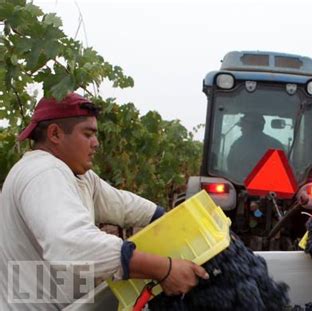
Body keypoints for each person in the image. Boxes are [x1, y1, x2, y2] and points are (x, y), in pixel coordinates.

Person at [0, 93, 209, 310]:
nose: (96, 143)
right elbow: (74, 245)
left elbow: (120, 203)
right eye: (87, 134)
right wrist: (164, 269)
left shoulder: (76, 175)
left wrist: (166, 217)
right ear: (55, 134)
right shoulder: (44, 173)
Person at [227, 113, 284, 181]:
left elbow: (231, 166)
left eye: (244, 125)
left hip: (240, 186)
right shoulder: (275, 144)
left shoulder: (238, 144)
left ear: (254, 126)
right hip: (270, 187)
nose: (241, 129)